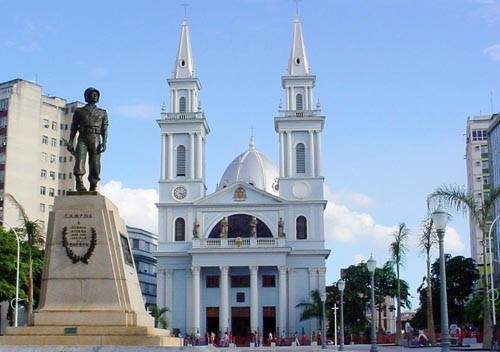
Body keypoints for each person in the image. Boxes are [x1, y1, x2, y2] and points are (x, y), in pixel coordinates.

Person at [67, 87, 108, 192]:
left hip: (95, 137)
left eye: (96, 94)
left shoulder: (102, 112)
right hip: (83, 137)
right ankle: (79, 183)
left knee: (95, 163)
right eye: (92, 94)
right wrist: (71, 141)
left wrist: (104, 142)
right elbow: (74, 127)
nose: (94, 96)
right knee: (80, 159)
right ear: (87, 96)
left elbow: (104, 128)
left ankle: (93, 184)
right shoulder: (79, 111)